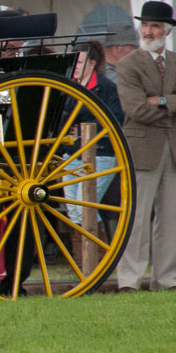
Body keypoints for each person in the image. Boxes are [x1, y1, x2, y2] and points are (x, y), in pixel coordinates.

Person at [115, 1, 176, 292]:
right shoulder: (129, 64)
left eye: (154, 26)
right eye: (145, 26)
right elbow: (136, 110)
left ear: (167, 30)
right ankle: (129, 281)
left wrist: (162, 100)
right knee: (136, 218)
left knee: (169, 219)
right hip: (142, 148)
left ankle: (165, 280)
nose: (148, 31)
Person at [61, 41, 125, 260]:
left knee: (85, 206)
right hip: (70, 154)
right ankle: (84, 264)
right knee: (73, 209)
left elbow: (116, 118)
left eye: (79, 61)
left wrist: (86, 128)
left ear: (92, 63)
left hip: (100, 152)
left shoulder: (106, 87)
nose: (75, 66)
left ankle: (96, 263)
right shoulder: (65, 86)